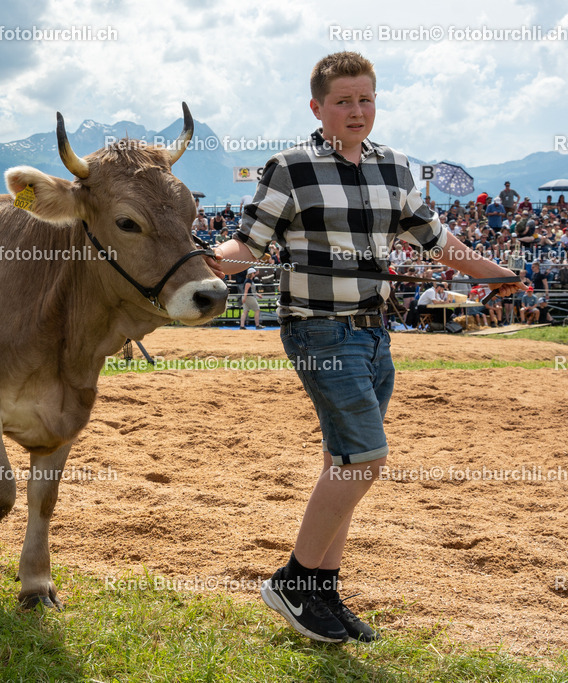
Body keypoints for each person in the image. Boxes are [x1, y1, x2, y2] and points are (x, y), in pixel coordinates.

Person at [206, 51, 520, 644]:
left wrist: (495, 270)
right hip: (318, 330)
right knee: (364, 461)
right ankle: (294, 581)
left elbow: (437, 240)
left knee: (342, 464)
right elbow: (248, 245)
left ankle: (323, 592)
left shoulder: (396, 168)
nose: (357, 110)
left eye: (366, 98)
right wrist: (201, 261)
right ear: (317, 107)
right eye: (344, 101)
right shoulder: (290, 167)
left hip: (377, 333)